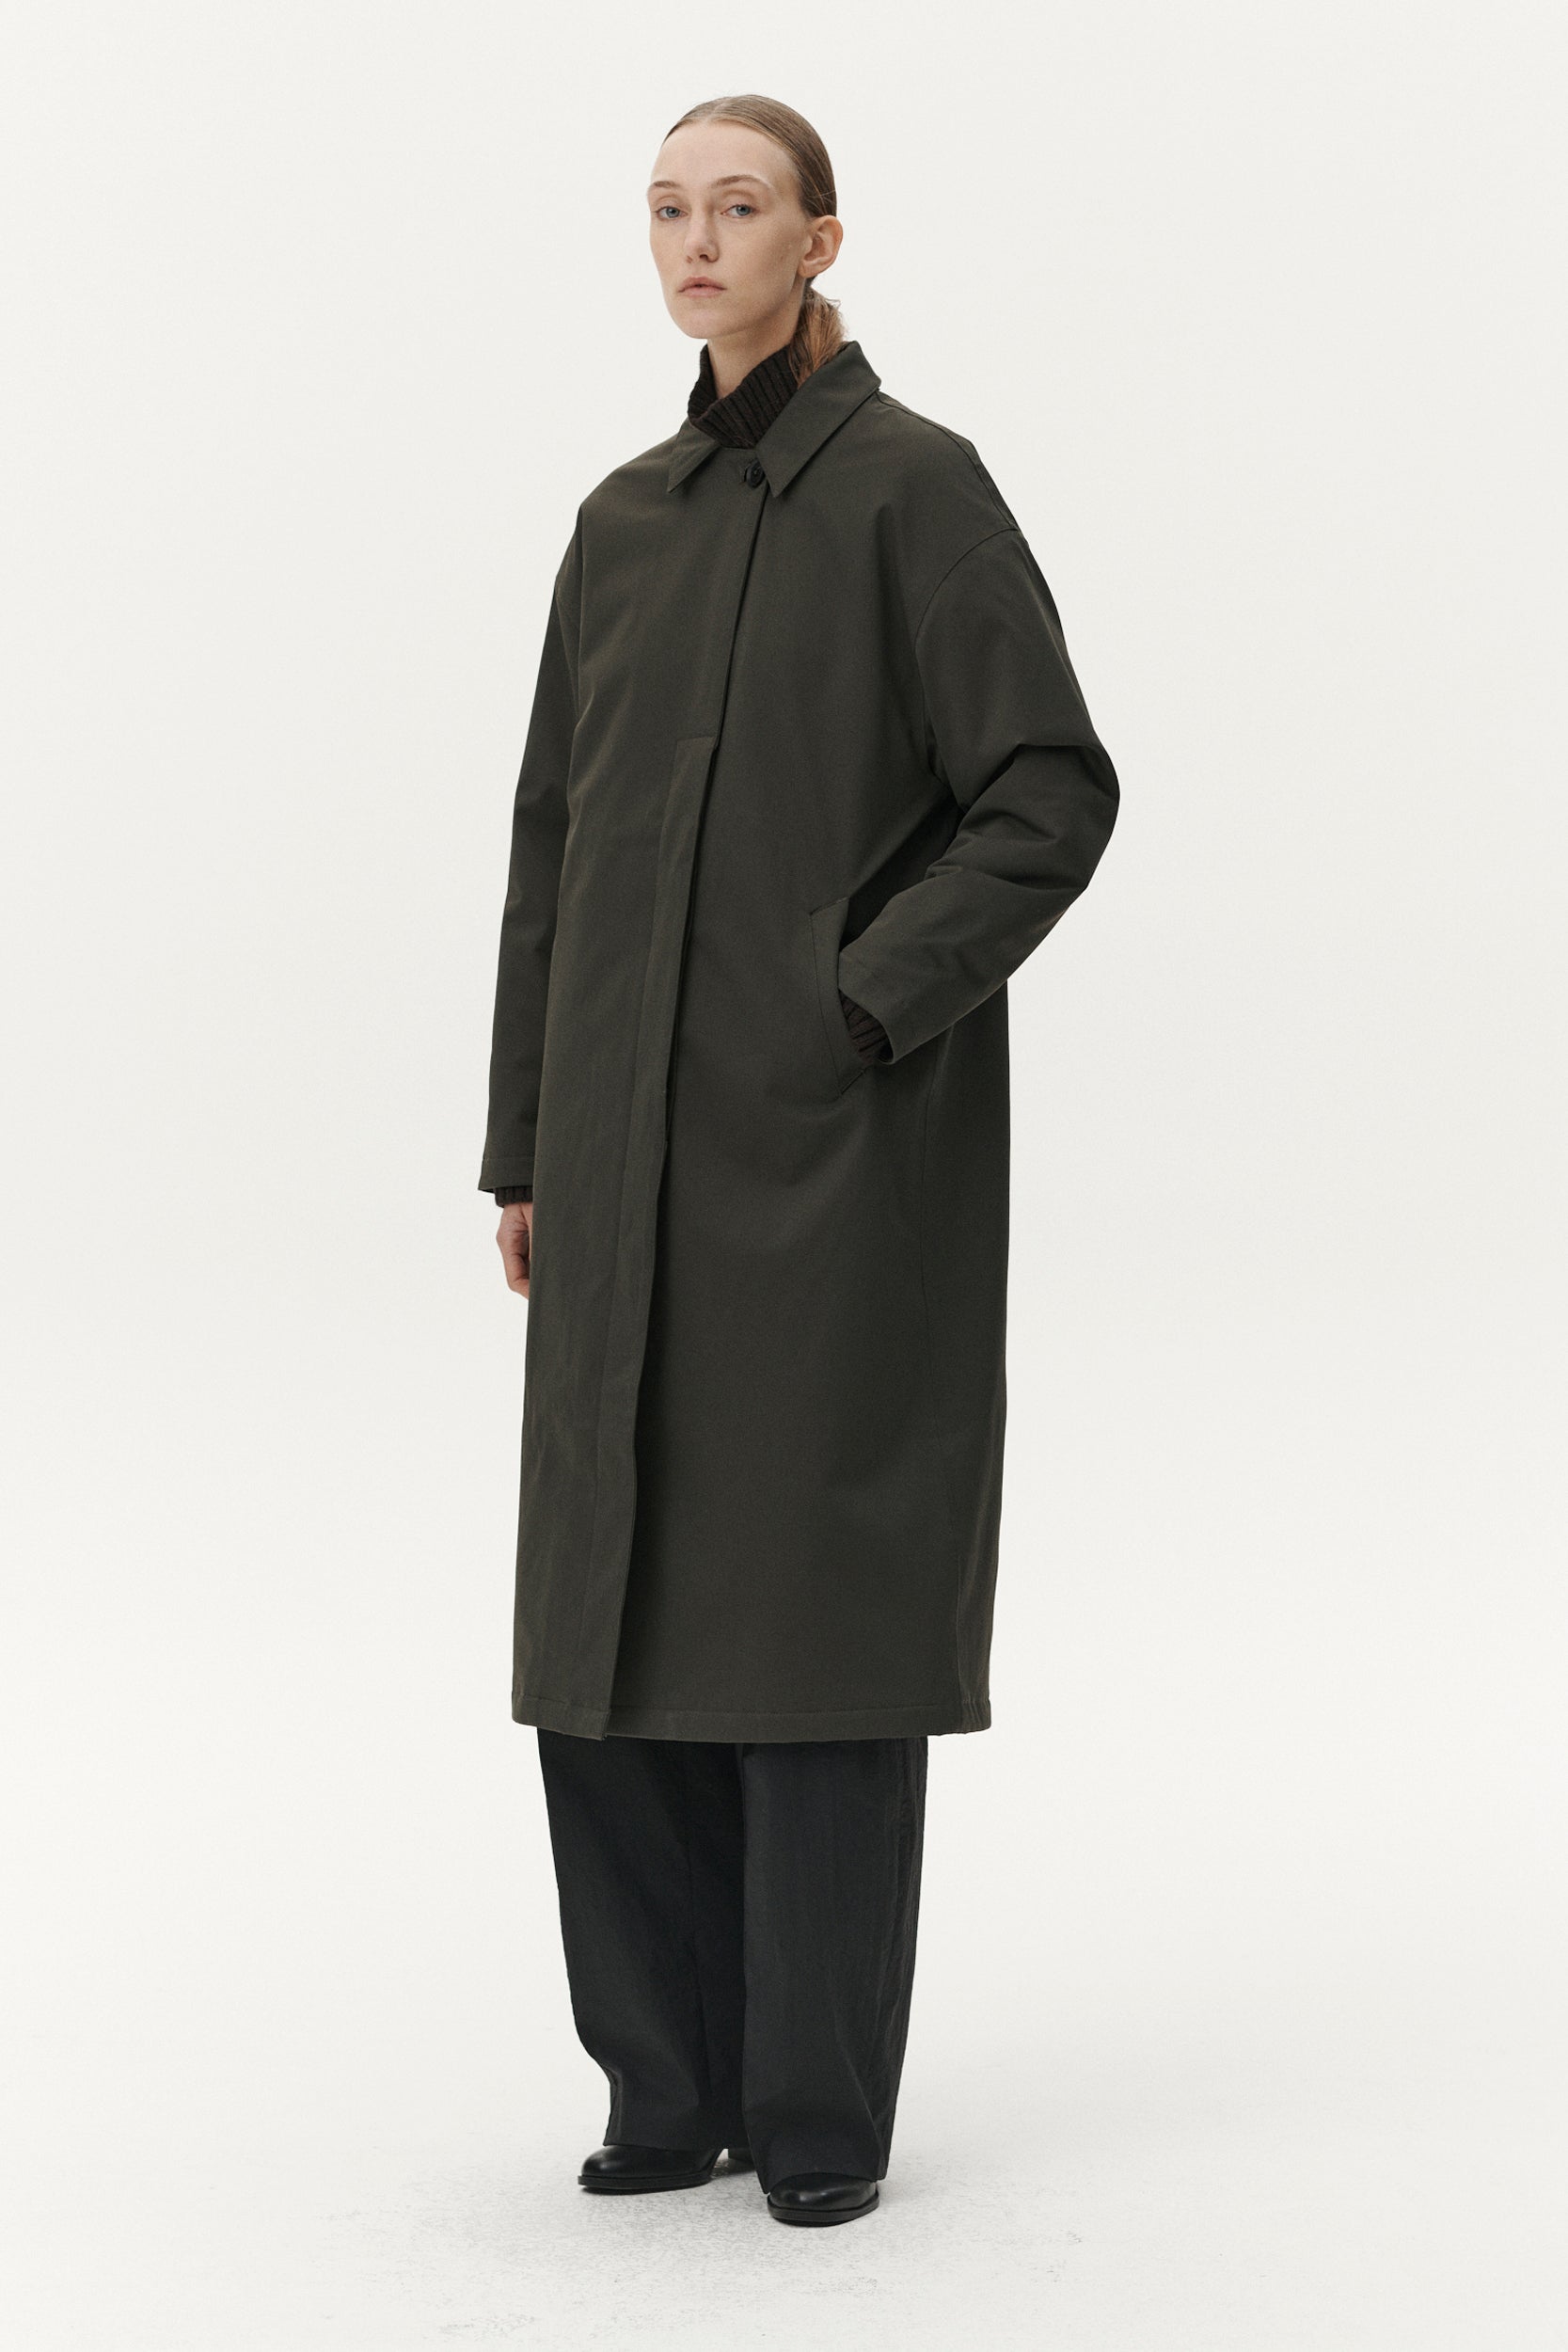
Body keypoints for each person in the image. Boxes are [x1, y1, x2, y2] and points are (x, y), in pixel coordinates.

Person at [479, 92, 1119, 2227]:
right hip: (616, 1159)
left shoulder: (916, 491)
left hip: (832, 1161)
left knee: (809, 1622)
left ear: (821, 240)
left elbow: (1048, 787)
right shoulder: (622, 524)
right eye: (668, 207)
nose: (697, 238)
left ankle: (817, 2110)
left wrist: (861, 1001)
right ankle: (665, 2086)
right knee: (613, 1617)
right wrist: (525, 1141)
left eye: (738, 204)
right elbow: (551, 849)